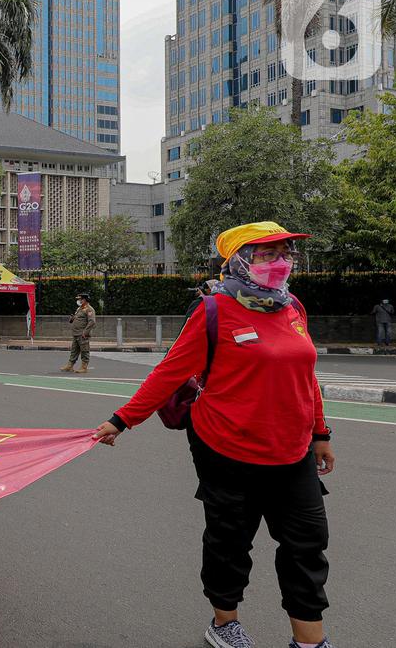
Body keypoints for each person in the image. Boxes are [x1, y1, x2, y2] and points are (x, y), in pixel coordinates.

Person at [93, 222, 337, 648]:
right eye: (266, 254)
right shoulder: (214, 310)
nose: (279, 262)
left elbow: (306, 376)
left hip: (293, 451)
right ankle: (224, 623)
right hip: (227, 448)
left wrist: (321, 431)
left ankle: (309, 643)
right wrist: (121, 420)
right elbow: (169, 373)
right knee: (229, 543)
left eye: (285, 253)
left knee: (307, 546)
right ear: (238, 260)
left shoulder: (292, 306)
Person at [61, 293, 96, 374]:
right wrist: (72, 319)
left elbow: (92, 322)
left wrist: (85, 332)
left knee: (84, 350)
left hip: (82, 334)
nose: (79, 300)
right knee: (74, 350)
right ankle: (70, 366)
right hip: (76, 333)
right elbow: (76, 319)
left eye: (80, 299)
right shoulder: (80, 309)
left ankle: (84, 367)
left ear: (85, 300)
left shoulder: (89, 309)